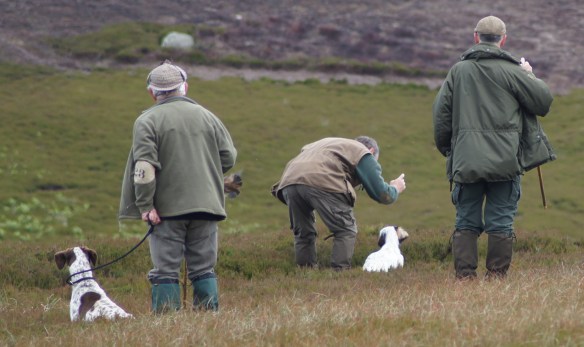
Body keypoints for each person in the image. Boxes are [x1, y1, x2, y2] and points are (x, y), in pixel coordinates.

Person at [432, 16, 553, 279]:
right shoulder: (514, 71)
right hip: (505, 161)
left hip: (467, 159)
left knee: (466, 220)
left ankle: (465, 278)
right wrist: (530, 75)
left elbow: (441, 114)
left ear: (475, 37)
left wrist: (449, 150)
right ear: (503, 39)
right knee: (501, 220)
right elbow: (543, 103)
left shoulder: (458, 71)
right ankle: (496, 278)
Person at [119, 60, 237, 312]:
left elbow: (145, 168)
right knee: (204, 268)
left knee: (165, 270)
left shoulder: (147, 120)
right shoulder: (208, 116)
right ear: (185, 87)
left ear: (152, 92)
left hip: (166, 211)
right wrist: (204, 175)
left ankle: (167, 325)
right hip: (207, 207)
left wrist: (145, 205)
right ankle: (209, 320)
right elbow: (229, 157)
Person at [271, 136, 406, 270]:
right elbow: (383, 195)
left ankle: (306, 273)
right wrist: (395, 188)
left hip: (289, 182)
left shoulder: (330, 145)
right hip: (320, 181)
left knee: (303, 232)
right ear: (371, 151)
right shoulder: (362, 152)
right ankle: (340, 274)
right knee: (345, 230)